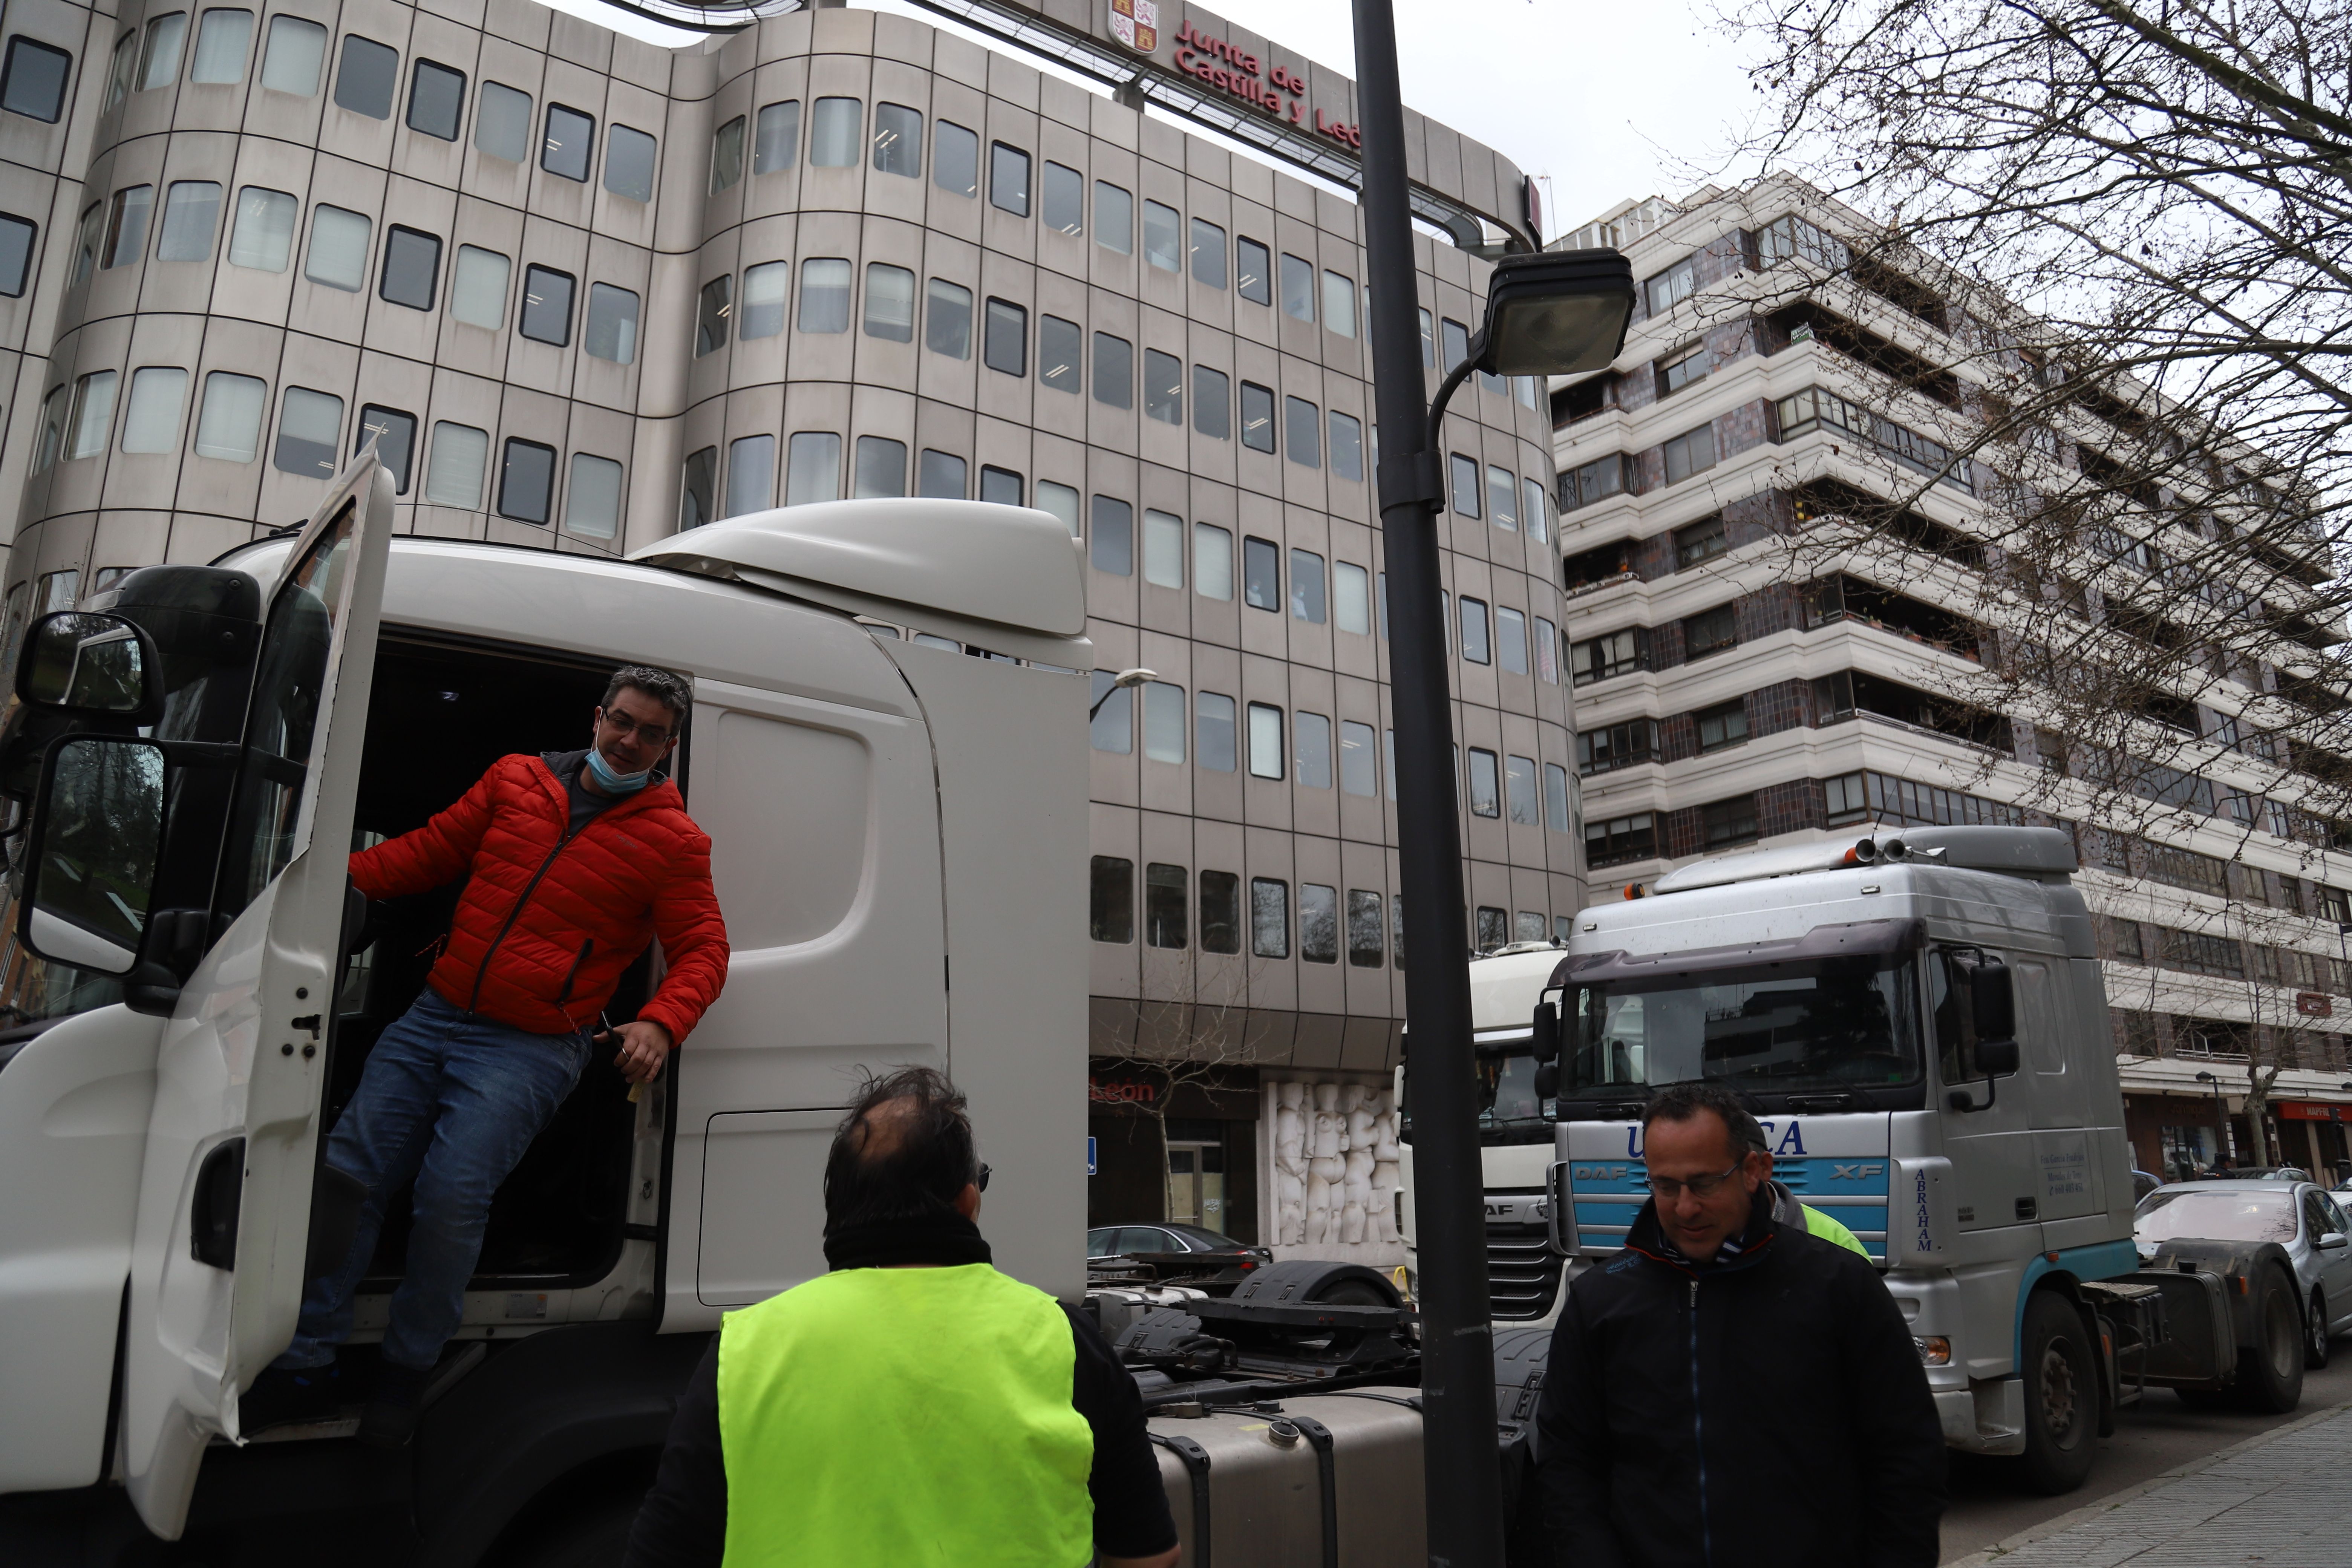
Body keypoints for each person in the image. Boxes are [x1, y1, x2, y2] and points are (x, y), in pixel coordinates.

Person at [242, 666, 730, 1446]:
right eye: (622, 722)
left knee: (450, 1195)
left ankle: (406, 1374)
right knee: (348, 1176)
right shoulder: (517, 782)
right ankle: (306, 1360)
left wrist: (662, 1023)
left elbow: (704, 947)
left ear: (670, 746)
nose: (630, 741)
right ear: (597, 716)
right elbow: (424, 855)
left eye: (650, 733)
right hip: (436, 1014)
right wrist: (301, 889)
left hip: (532, 1045)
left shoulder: (673, 842)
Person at [624, 1067, 1179, 1568]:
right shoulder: (1065, 1341)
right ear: (967, 1202)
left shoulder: (744, 1350)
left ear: (837, 1210)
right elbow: (1148, 1555)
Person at [1539, 1083, 1945, 1567]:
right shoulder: (1600, 1301)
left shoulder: (1839, 1285)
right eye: (1665, 1186)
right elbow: (1568, 1464)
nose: (1685, 1207)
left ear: (1755, 1171)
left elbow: (1906, 1454)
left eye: (1704, 1183)